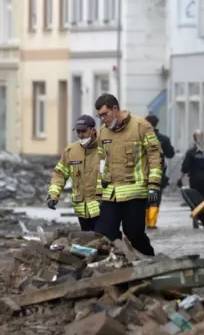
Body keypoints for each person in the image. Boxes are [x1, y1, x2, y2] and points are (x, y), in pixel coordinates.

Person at [93, 93, 162, 256]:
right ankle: (121, 263)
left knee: (134, 233)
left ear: (115, 109)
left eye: (105, 114)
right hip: (112, 194)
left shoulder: (140, 126)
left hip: (135, 193)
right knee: (105, 233)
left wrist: (153, 185)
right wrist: (98, 191)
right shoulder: (104, 132)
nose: (103, 119)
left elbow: (155, 155)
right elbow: (102, 161)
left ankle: (150, 261)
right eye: (100, 116)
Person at [47, 114, 102, 231]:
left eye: (84, 131)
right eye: (78, 132)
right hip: (82, 211)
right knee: (88, 242)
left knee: (103, 241)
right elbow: (59, 174)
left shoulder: (104, 149)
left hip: (102, 209)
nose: (81, 135)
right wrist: (53, 195)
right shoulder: (71, 151)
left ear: (93, 130)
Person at [177, 130, 204, 229]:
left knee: (200, 199)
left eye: (201, 136)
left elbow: (185, 167)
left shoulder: (195, 152)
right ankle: (201, 217)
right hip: (202, 179)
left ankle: (199, 217)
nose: (201, 138)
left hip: (200, 179)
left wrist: (180, 179)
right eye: (200, 136)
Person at [144, 114, 174, 229]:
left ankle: (144, 221)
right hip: (158, 173)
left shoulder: (139, 137)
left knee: (143, 198)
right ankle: (151, 222)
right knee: (155, 198)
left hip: (142, 173)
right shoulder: (164, 139)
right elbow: (170, 154)